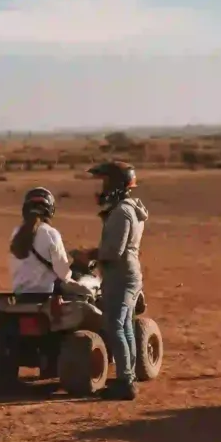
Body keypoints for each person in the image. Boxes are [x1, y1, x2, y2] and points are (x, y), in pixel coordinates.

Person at [88, 159, 147, 400]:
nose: (102, 186)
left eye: (105, 181)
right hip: (127, 273)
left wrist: (90, 254)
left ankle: (125, 381)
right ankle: (128, 376)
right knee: (124, 325)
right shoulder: (129, 209)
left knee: (115, 325)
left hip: (121, 274)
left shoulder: (122, 212)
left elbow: (114, 251)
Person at [8, 187, 73, 295]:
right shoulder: (51, 233)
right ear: (50, 210)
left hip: (19, 295)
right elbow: (63, 274)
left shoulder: (16, 233)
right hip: (46, 297)